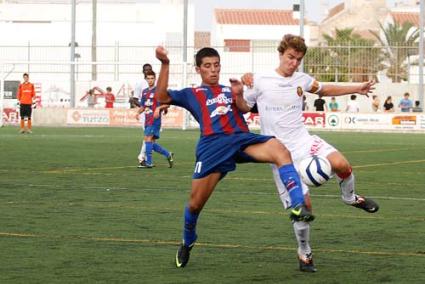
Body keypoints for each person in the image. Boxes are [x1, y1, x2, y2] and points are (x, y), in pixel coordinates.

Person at [155, 45, 314, 268]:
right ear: (198, 69)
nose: (213, 70)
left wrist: (241, 92)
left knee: (279, 149)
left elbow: (246, 107)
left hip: (242, 139)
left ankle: (298, 206)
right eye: (207, 66)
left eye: (216, 65)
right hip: (214, 146)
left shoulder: (230, 89)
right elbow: (161, 95)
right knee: (194, 205)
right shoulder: (193, 94)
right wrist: (165, 63)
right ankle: (188, 239)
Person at [239, 34, 379, 273]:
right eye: (290, 57)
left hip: (304, 141)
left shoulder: (302, 80)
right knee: (303, 206)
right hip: (280, 153)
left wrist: (357, 87)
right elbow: (243, 106)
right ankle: (304, 251)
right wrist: (241, 86)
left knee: (342, 165)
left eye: (298, 59)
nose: (293, 63)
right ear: (281, 54)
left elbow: (324, 89)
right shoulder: (259, 80)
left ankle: (350, 197)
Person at [136, 70, 174, 168]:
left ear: (155, 78)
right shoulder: (144, 92)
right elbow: (143, 106)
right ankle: (168, 154)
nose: (150, 80)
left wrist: (160, 108)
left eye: (152, 78)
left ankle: (149, 162)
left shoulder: (159, 91)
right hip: (147, 120)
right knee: (150, 142)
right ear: (145, 79)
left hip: (155, 120)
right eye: (148, 78)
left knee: (147, 139)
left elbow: (168, 103)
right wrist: (138, 113)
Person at [134, 63, 154, 163]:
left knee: (152, 137)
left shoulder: (155, 83)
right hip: (144, 114)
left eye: (149, 69)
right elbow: (135, 99)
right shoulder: (139, 84)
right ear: (143, 71)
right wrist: (144, 107)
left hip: (154, 113)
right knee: (148, 135)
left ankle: (145, 157)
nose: (147, 71)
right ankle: (142, 156)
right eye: (146, 70)